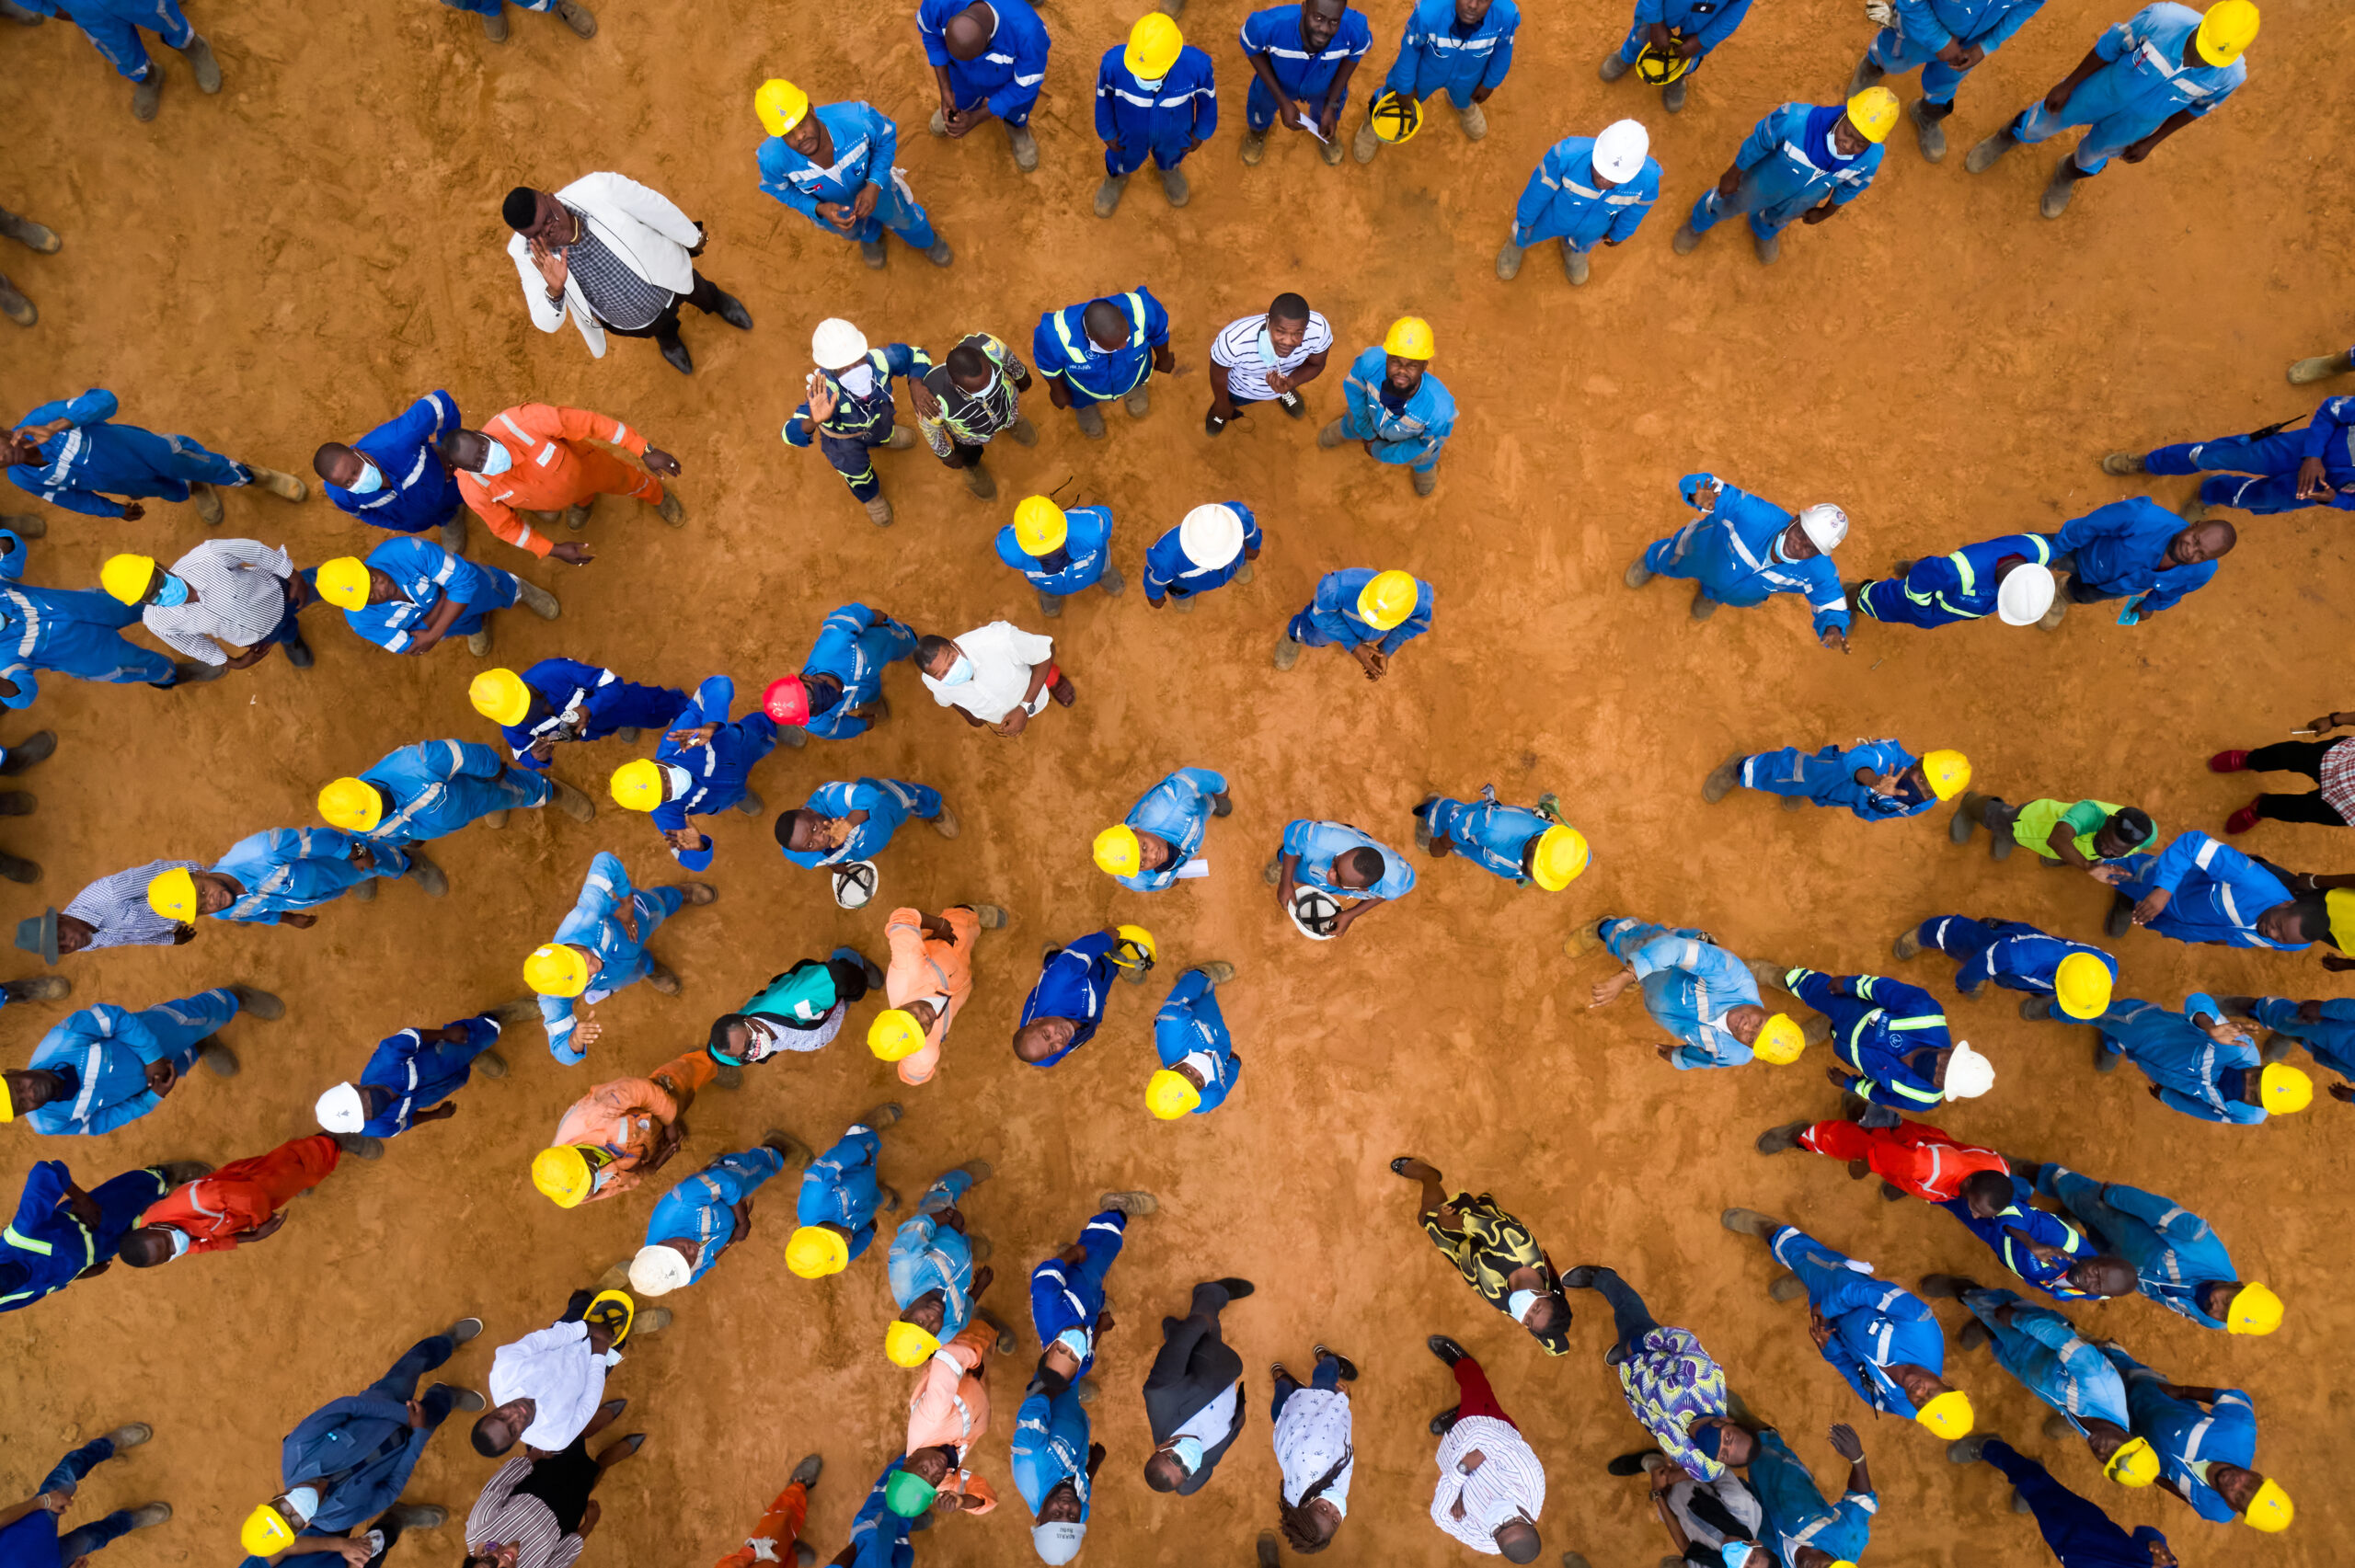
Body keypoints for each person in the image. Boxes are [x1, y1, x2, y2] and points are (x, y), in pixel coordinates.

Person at [1967, 1, 2255, 219]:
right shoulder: (2163, 18)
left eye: (2212, 58)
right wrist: (2070, 84)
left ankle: (2065, 176)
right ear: (2203, 26)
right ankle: (2006, 138)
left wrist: (2153, 141)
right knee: (2042, 121)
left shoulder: (2230, 76)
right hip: (2098, 91)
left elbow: (2196, 110)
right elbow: (2109, 47)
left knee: (2093, 156)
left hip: (2136, 124)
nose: (2200, 59)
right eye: (2201, 48)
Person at [234, 1318, 486, 1566]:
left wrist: (402, 1415)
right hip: (409, 1437)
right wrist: (418, 1434)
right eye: (294, 1523)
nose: (293, 1512)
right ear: (301, 1531)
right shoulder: (338, 1521)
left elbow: (349, 1406)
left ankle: (446, 1342)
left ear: (274, 1498)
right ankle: (446, 1396)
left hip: (383, 1401)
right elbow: (390, 1491)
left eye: (281, 1510)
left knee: (410, 1367)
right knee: (434, 1413)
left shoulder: (297, 1448)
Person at [1720, 1212, 1974, 1437]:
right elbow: (1870, 1291)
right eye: (1933, 1393)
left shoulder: (1905, 1408)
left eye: (1921, 1404)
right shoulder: (1922, 1326)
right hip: (1845, 1287)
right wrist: (1828, 1307)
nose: (1919, 1393)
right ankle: (1770, 1230)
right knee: (1804, 1257)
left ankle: (1807, 1280)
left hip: (1835, 1328)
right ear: (1949, 1386)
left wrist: (1831, 1351)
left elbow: (1864, 1387)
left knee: (1810, 1281)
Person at [501, 177, 753, 376]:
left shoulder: (598, 189)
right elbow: (546, 322)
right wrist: (554, 291)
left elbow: (654, 207)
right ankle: (668, 339)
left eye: (549, 218)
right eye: (538, 233)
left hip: (670, 277)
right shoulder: (525, 254)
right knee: (657, 329)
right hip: (630, 321)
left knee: (700, 291)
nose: (550, 230)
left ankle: (717, 302)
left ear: (551, 198)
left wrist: (692, 237)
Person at [2029, 1160, 2278, 1333]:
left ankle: (2079, 1214)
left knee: (2092, 1237)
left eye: (2224, 1315)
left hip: (2120, 1263)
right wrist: (2113, 1195)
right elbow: (2157, 1209)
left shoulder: (2213, 1322)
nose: (2217, 1307)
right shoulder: (2200, 1243)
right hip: (2120, 1222)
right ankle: (2039, 1175)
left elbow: (2168, 1301)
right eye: (2228, 1302)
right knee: (2084, 1199)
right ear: (2237, 1285)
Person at [1562, 1264, 1752, 1477]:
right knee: (1628, 1308)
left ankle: (1625, 1357)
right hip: (1648, 1350)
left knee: (1627, 1336)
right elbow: (1683, 1341)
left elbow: (1707, 1470)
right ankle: (1602, 1277)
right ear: (1728, 1421)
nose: (1721, 1447)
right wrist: (1637, 1345)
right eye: (1728, 1439)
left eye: (1724, 1454)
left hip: (1639, 1392)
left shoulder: (1707, 1468)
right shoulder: (1701, 1378)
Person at [6, 983, 270, 1135]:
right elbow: (102, 1122)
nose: (29, 1094)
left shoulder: (62, 1041)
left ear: (15, 1070)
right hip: (149, 1082)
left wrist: (153, 1057)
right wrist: (152, 1098)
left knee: (194, 1017)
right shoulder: (49, 1124)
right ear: (23, 1114)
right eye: (23, 1104)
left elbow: (115, 1018)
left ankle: (235, 997)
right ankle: (203, 1045)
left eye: (19, 1086)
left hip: (153, 1034)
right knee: (178, 1066)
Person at [525, 854, 714, 1064]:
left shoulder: (586, 915)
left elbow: (605, 862)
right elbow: (562, 1052)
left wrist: (626, 902)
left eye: (584, 961)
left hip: (630, 923)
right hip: (616, 976)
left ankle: (680, 894)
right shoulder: (553, 997)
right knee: (637, 970)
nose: (594, 968)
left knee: (658, 906)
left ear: (567, 950)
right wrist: (575, 1039)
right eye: (583, 978)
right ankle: (650, 967)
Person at [1673, 87, 1898, 264]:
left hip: (1806, 199)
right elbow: (1758, 142)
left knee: (1782, 217)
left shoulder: (1871, 158)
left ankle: (1764, 229)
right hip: (1760, 182)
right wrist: (1733, 173)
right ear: (1842, 114)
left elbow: (1853, 187)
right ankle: (1698, 223)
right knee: (1730, 201)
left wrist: (1826, 212)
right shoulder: (1795, 120)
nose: (1848, 145)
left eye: (1860, 143)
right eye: (1848, 133)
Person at [5, 388, 301, 521]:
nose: (2, 458)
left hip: (151, 452)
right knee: (174, 490)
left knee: (203, 465)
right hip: (134, 486)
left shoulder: (43, 418)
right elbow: (71, 499)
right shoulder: (22, 477)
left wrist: (59, 425)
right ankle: (197, 487)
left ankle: (256, 477)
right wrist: (116, 510)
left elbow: (105, 400)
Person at [1626, 475, 1852, 647]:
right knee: (1671, 559)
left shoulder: (1818, 570)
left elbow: (1831, 599)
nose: (1800, 545)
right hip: (1700, 553)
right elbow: (1714, 488)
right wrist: (1697, 492)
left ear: (1820, 554)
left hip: (1740, 593)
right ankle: (1650, 561)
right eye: (1802, 534)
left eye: (1811, 548)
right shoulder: (1753, 514)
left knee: (1722, 593)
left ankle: (1710, 595)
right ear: (1794, 520)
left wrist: (1832, 626)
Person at [441, 406, 684, 565]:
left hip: (592, 468)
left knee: (630, 481)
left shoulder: (526, 421)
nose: (487, 456)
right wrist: (551, 549)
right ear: (467, 470)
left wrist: (645, 449)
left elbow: (592, 424)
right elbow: (505, 527)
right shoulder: (474, 489)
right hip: (561, 497)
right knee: (573, 496)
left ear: (480, 433)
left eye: (483, 447)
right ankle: (583, 502)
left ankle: (658, 495)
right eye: (478, 462)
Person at [754, 85, 951, 273]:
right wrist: (817, 209)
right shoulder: (772, 159)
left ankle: (926, 240)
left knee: (903, 217)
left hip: (880, 192)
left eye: (801, 123)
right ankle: (870, 237)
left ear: (811, 110)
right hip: (832, 211)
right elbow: (780, 189)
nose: (799, 136)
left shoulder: (858, 119)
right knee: (853, 230)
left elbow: (885, 138)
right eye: (787, 133)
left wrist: (874, 185)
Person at [2098, 1345, 2290, 1531]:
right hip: (2151, 1396)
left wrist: (2152, 1476)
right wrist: (2180, 1391)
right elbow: (2233, 1398)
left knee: (2098, 1405)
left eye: (2239, 1497)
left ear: (2235, 1509)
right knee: (2125, 1371)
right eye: (2249, 1484)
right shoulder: (2238, 1432)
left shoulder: (2217, 1511)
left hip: (2132, 1441)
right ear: (2257, 1476)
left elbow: (2182, 1493)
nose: (2236, 1484)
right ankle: (2113, 1351)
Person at [320, 739, 590, 872]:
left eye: (380, 803)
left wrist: (494, 770)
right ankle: (495, 804)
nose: (384, 810)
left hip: (474, 788)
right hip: (456, 813)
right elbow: (378, 836)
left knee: (512, 789)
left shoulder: (418, 763)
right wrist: (410, 841)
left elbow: (467, 755)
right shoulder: (361, 824)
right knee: (490, 803)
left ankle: (551, 791)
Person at [1390, 1158, 1572, 1353]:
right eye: (1536, 1308)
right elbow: (1465, 1224)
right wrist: (1445, 1221)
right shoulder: (1514, 1247)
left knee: (1485, 1209)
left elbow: (1557, 1347)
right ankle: (1429, 1176)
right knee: (1426, 1217)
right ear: (1546, 1293)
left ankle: (1487, 1204)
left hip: (1468, 1257)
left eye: (1528, 1320)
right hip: (1472, 1229)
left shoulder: (1539, 1324)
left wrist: (1554, 1340)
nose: (1525, 1310)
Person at [609, 674, 779, 873]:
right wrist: (698, 846)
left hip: (741, 747)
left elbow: (719, 683)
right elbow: (694, 863)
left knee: (760, 736)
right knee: (732, 796)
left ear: (656, 762)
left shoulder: (680, 741)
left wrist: (709, 726)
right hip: (722, 797)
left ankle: (773, 726)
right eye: (664, 793)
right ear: (655, 804)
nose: (672, 786)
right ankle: (739, 796)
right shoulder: (664, 813)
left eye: (663, 777)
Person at [1583, 917, 1803, 1070]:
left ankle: (1644, 974)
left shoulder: (1739, 1054)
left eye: (1751, 1039)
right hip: (1671, 951)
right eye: (1758, 1023)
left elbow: (1708, 1059)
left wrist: (1679, 1058)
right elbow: (1674, 949)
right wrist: (1626, 976)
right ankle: (1605, 927)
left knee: (1648, 975)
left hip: (1658, 990)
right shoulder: (1732, 976)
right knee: (1635, 943)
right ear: (1770, 1012)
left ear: (1750, 1048)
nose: (1746, 1028)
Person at [1768, 965, 1993, 1114]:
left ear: (1943, 1089)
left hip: (1849, 1052)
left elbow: (1881, 1094)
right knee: (1819, 991)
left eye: (1941, 1078)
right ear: (1951, 1050)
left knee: (1835, 1036)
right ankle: (1783, 977)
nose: (1937, 1068)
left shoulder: (1922, 1099)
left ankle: (1828, 1028)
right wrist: (1850, 984)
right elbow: (1886, 990)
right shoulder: (1927, 1015)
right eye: (1946, 1062)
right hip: (1854, 1011)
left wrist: (1849, 1083)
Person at [0, 532, 194, 704]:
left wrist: (4, 544)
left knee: (146, 599)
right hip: (94, 656)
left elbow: (13, 554)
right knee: (148, 665)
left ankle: (194, 607)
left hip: (94, 605)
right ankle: (173, 675)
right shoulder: (4, 661)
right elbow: (24, 696)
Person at [117, 1133, 360, 1265]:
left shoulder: (202, 1200)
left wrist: (262, 1224)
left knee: (296, 1167)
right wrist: (252, 1237)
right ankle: (299, 1175)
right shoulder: (164, 1241)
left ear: (157, 1226)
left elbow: (254, 1197)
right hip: (238, 1209)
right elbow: (205, 1245)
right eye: (169, 1253)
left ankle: (335, 1140)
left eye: (167, 1243)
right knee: (288, 1178)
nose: (176, 1246)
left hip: (250, 1190)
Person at [1849, 0, 2049, 160]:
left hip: (1971, 45)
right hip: (1916, 28)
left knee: (1945, 83)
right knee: (1890, 56)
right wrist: (1939, 41)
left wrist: (1987, 45)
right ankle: (1870, 68)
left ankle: (1926, 115)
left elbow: (2028, 4)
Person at [2065, 994, 2312, 1124]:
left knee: (2126, 1046)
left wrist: (2168, 1097)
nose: (2247, 1086)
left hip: (2154, 1067)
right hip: (2149, 1029)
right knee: (2102, 1014)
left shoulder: (2248, 1116)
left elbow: (2205, 1112)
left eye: (2254, 1096)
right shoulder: (2237, 1047)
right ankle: (2058, 1005)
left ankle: (2112, 1043)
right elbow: (2197, 999)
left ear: (2261, 1107)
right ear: (2263, 1066)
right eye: (2256, 1078)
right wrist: (2209, 1026)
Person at [1946, 1436, 2178, 1567]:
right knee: (2036, 1485)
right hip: (2078, 1526)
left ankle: (2031, 1490)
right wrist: (2156, 1546)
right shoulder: (2146, 1561)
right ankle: (1989, 1447)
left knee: (2040, 1498)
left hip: (2066, 1548)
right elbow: (2146, 1535)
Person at [784, 325, 934, 528]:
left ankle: (886, 438)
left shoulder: (881, 360)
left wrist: (916, 383)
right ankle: (872, 498)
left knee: (883, 430)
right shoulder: (822, 391)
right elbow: (789, 434)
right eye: (843, 368)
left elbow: (916, 356)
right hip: (843, 443)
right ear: (830, 369)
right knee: (857, 473)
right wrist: (813, 420)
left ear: (864, 353)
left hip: (879, 420)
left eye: (857, 361)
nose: (854, 370)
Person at [473, 1292, 655, 1459]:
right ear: (517, 1440)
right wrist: (599, 1351)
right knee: (617, 1340)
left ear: (493, 1411)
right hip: (594, 1367)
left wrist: (587, 1327)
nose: (515, 1415)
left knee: (582, 1300)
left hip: (569, 1332)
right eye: (513, 1429)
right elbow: (589, 1401)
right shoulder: (555, 1438)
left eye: (502, 1416)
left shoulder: (503, 1372)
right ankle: (631, 1327)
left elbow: (541, 1341)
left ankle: (602, 1286)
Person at [314, 1006, 527, 1148]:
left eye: (366, 1100)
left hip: (437, 1055)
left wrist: (446, 1034)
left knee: (474, 1035)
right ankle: (474, 1057)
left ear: (357, 1086)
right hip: (438, 1088)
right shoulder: (376, 1128)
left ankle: (500, 1015)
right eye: (369, 1114)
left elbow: (412, 1037)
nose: (375, 1106)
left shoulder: (386, 1060)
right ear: (363, 1124)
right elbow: (406, 1122)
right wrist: (435, 1114)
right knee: (461, 1073)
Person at [532, 1047, 721, 1208]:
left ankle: (709, 1058)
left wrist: (670, 1120)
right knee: (681, 1106)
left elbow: (640, 1090)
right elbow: (621, 1183)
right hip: (644, 1143)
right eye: (586, 1192)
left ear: (586, 1162)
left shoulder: (596, 1112)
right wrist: (651, 1167)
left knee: (683, 1078)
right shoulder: (574, 1189)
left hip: (652, 1102)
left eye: (589, 1187)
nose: (591, 1192)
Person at [628, 1133, 810, 1297]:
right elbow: (704, 1266)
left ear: (661, 1243)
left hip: (725, 1192)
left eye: (684, 1250)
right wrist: (731, 1240)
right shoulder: (677, 1273)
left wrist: (743, 1221)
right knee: (710, 1180)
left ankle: (775, 1149)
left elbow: (726, 1184)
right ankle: (711, 1172)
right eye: (689, 1261)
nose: (694, 1252)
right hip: (720, 1213)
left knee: (747, 1174)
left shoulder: (682, 1201)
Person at [145, 827, 421, 933]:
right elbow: (259, 913)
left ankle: (408, 861)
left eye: (202, 892)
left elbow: (315, 839)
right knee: (347, 879)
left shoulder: (262, 852)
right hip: (323, 886)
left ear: (200, 873)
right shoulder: (222, 913)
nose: (211, 902)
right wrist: (289, 919)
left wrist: (355, 852)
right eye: (201, 908)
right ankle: (359, 874)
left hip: (336, 859)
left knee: (379, 859)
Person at [1, 1158, 188, 1313]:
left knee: (134, 1191)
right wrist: (79, 1274)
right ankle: (164, 1205)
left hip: (94, 1217)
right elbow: (42, 1289)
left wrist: (82, 1199)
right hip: (99, 1253)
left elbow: (46, 1172)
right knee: (141, 1228)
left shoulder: (23, 1234)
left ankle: (163, 1176)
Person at [316, 538, 557, 658]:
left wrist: (432, 631)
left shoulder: (406, 550)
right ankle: (476, 625)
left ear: (363, 565)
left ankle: (522, 590)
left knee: (496, 586)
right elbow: (410, 646)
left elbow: (466, 581)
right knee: (461, 623)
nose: (380, 588)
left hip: (462, 598)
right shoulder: (361, 622)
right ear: (356, 606)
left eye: (372, 578)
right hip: (446, 606)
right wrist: (445, 597)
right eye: (369, 596)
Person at [461, 1413, 648, 1568]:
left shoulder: (480, 1526)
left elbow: (500, 1484)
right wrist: (589, 1524)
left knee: (567, 1441)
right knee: (586, 1481)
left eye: (489, 1560)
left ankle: (587, 1427)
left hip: (538, 1484)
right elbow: (561, 1558)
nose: (502, 1559)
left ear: (475, 1559)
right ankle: (603, 1462)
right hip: (565, 1517)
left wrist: (536, 1453)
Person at [101, 540, 318, 672]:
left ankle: (345, 581)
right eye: (151, 595)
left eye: (158, 581)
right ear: (142, 602)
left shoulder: (209, 555)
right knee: (284, 630)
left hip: (282, 593)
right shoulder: (158, 621)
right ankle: (290, 639)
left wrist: (295, 577)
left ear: (160, 566)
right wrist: (233, 663)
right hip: (258, 636)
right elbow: (192, 645)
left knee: (320, 584)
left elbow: (255, 552)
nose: (162, 592)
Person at [2118, 397, 2355, 518]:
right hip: (2293, 449)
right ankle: (2150, 462)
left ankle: (2208, 493)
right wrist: (2313, 455)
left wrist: (2334, 499)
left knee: (2262, 498)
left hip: (2312, 489)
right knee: (2217, 456)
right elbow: (2332, 409)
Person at [1422, 1334, 1545, 1561]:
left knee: (1455, 1437)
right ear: (1531, 1520)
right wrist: (1457, 1478)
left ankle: (1454, 1419)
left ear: (1495, 1542)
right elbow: (1482, 1435)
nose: (1500, 1520)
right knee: (1474, 1384)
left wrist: (1459, 1479)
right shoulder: (1530, 1479)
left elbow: (1440, 1516)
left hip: (1458, 1457)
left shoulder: (1484, 1541)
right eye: (1511, 1521)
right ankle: (1461, 1362)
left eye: (1498, 1530)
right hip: (1484, 1421)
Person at [1499, 119, 1659, 285]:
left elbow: (1636, 212)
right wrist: (1526, 219)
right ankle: (1517, 244)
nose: (1603, 180)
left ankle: (1573, 248)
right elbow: (1538, 191)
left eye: (1613, 178)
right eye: (1601, 169)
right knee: (1527, 230)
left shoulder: (1647, 181)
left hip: (1595, 227)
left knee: (1584, 240)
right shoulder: (1567, 156)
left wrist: (1619, 234)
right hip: (1553, 216)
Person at [1932, 1168, 2130, 1301]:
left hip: (2001, 1246)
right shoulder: (2061, 1239)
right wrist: (2031, 1243)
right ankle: (1927, 1186)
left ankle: (2020, 1187)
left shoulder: (2093, 1293)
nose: (2090, 1281)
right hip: (1997, 1228)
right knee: (1966, 1201)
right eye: (2096, 1273)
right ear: (2100, 1257)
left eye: (2099, 1286)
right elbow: (2013, 1211)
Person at [2105, 829, 2323, 950]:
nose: (2272, 934)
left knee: (2148, 917)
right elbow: (2193, 844)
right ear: (2287, 903)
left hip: (2181, 925)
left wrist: (2217, 938)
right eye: (2277, 925)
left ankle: (2129, 902)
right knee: (2114, 866)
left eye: (2281, 938)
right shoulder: (2250, 879)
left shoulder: (2295, 943)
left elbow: (2250, 938)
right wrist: (2163, 890)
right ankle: (2084, 856)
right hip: (2167, 888)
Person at [1356, 0, 1518, 161]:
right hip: (1426, 72)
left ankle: (1462, 105)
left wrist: (1490, 83)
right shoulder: (1428, 13)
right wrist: (1405, 87)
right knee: (1394, 95)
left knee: (1465, 95)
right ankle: (1374, 120)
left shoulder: (1506, 15)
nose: (1473, 5)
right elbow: (1411, 50)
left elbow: (1504, 50)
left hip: (1470, 74)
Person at [1756, 1109, 2014, 1207]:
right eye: (1977, 1209)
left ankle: (1862, 1112)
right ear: (1968, 1185)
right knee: (1856, 1143)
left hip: (1926, 1144)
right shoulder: (1923, 1166)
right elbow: (1877, 1156)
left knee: (1887, 1126)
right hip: (1912, 1159)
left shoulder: (1999, 1166)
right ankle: (1803, 1135)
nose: (1976, 1216)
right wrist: (1862, 1168)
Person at [314, 391, 470, 551]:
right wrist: (399, 523)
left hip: (446, 482)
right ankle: (449, 520)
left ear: (358, 452)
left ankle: (456, 509)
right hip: (418, 518)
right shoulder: (339, 493)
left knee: (466, 493)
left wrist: (448, 451)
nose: (358, 480)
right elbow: (362, 513)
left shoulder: (400, 438)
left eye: (356, 470)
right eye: (348, 482)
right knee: (436, 516)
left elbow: (440, 403)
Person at [1143, 1278, 1256, 1496]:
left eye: (1175, 1458)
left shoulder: (1160, 1396)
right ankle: (1172, 1328)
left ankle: (1211, 1292)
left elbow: (1177, 1349)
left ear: (1161, 1447)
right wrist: (1238, 1422)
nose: (1187, 1460)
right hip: (1222, 1373)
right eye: (1185, 1470)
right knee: (1177, 1337)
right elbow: (1189, 1485)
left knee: (1193, 1329)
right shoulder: (1200, 1467)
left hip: (1205, 1353)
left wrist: (1201, 1322)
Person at [1094, 15, 1217, 214]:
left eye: (1151, 72)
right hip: (1128, 134)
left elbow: (1208, 102)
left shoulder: (1197, 68)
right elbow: (1103, 97)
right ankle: (1116, 177)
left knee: (1172, 154)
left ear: (1172, 60)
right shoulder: (1113, 64)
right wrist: (1107, 132)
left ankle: (1168, 169)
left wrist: (1201, 133)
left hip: (1175, 133)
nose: (1142, 76)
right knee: (1123, 157)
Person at [0, 1425, 170, 1568]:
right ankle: (129, 1520)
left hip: (33, 1522)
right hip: (54, 1562)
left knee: (67, 1474)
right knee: (93, 1538)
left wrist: (41, 1502)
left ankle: (107, 1444)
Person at [1030, 1195, 1154, 1393]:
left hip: (1078, 1278)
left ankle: (1115, 1209)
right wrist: (1100, 1329)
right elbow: (1089, 1354)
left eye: (1062, 1350)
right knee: (1097, 1285)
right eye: (1073, 1356)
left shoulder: (1048, 1308)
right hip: (1089, 1302)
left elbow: (1043, 1278)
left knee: (1105, 1245)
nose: (1072, 1347)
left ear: (1048, 1348)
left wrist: (1071, 1254)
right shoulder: (1080, 1367)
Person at [473, 660, 689, 773]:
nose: (528, 716)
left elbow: (612, 684)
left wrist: (590, 708)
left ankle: (682, 707)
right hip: (588, 731)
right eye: (521, 716)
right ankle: (621, 723)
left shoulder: (555, 671)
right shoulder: (511, 725)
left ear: (523, 688)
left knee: (652, 708)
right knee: (609, 727)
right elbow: (522, 754)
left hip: (615, 703)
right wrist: (537, 758)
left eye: (527, 707)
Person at [2039, 499, 2232, 624]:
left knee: (2082, 594)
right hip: (2082, 554)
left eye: (2201, 554)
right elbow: (2087, 527)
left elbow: (2173, 591)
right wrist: (2057, 549)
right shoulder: (2142, 516)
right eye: (2195, 540)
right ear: (2195, 525)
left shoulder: (2203, 571)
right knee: (2038, 556)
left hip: (2113, 587)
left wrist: (2149, 606)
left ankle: (2061, 594)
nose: (2190, 551)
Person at [887, 1164, 1005, 1368]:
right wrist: (979, 1287)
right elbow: (963, 1316)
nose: (933, 1319)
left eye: (920, 1322)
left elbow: (915, 1229)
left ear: (905, 1315)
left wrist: (946, 1217)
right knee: (963, 1242)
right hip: (958, 1256)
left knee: (941, 1196)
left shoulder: (904, 1270)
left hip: (938, 1225)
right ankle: (967, 1243)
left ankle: (959, 1179)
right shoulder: (946, 1332)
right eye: (932, 1330)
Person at [1321, 317, 1454, 498]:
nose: (1402, 371)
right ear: (1387, 358)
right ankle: (1344, 430)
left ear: (1424, 367)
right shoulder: (1369, 363)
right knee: (1351, 424)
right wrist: (1366, 431)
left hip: (1408, 441)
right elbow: (1354, 392)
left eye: (1412, 365)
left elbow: (1424, 443)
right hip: (1366, 416)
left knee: (1424, 456)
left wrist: (1381, 452)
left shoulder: (1439, 409)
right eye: (1396, 361)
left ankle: (1424, 469)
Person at [1898, 914, 2119, 1021]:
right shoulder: (2019, 957)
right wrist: (1966, 984)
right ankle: (1923, 934)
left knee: (1999, 970)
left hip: (2019, 962)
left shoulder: (2107, 969)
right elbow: (1978, 965)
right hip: (2006, 948)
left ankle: (1995, 956)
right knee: (1960, 938)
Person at [918, 0, 1051, 171]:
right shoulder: (939, 4)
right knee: (961, 99)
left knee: (1016, 109)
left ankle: (1016, 128)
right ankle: (963, 106)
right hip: (959, 74)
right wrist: (945, 90)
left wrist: (978, 117)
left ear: (989, 39)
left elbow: (1024, 85)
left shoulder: (1029, 34)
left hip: (1009, 83)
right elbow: (930, 34)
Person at [1238, 0, 1373, 168]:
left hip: (1324, 86)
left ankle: (1323, 135)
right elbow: (1251, 47)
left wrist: (1331, 104)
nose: (1324, 29)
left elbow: (1354, 55)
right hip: (1275, 84)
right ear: (1304, 7)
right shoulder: (1268, 25)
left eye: (1334, 21)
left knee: (1325, 115)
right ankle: (1257, 133)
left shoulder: (1356, 28)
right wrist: (1282, 100)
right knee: (1260, 109)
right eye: (1318, 17)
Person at [1706, 738, 1970, 822]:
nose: (1921, 787)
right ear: (1918, 761)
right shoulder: (1891, 755)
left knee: (1815, 792)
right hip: (1835, 773)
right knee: (1792, 772)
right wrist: (1873, 780)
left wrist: (1864, 806)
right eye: (1922, 777)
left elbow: (1879, 811)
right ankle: (1739, 767)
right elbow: (1860, 756)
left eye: (1929, 789)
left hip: (1845, 796)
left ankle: (1807, 791)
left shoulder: (1922, 804)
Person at [891, 1321, 1002, 1521]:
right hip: (978, 1395)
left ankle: (985, 1321)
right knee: (990, 1358)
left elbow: (948, 1358)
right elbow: (989, 1498)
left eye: (924, 1470)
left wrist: (976, 1362)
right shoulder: (941, 1483)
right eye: (933, 1479)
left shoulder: (931, 1418)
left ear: (909, 1460)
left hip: (968, 1353)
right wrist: (961, 1502)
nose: (936, 1470)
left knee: (983, 1330)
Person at [706, 948, 883, 1069]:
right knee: (830, 1002)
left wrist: (856, 990)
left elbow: (841, 977)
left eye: (748, 1042)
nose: (754, 1051)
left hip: (826, 984)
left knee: (844, 976)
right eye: (745, 1055)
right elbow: (721, 1054)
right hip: (822, 1013)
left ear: (748, 1018)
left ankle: (852, 959)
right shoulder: (740, 1049)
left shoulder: (798, 998)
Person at [763, 602, 916, 739]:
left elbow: (844, 619)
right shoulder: (816, 724)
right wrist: (862, 725)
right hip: (864, 692)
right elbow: (838, 729)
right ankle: (873, 702)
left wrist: (871, 616)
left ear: (806, 677)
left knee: (902, 642)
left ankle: (913, 642)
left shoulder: (834, 645)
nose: (815, 700)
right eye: (810, 708)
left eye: (808, 694)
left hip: (880, 644)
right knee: (870, 697)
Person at [1033, 290, 1175, 438]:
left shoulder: (1143, 307)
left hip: (1134, 370)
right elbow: (1048, 366)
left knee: (1136, 378)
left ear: (1119, 310)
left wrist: (1163, 358)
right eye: (1113, 346)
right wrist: (1059, 392)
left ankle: (1134, 389)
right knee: (1081, 399)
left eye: (1126, 337)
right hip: (1084, 387)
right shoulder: (1053, 336)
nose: (1123, 346)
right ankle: (1084, 407)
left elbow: (1160, 332)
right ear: (1089, 337)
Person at [785, 1106, 904, 1279]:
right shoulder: (832, 1256)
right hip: (864, 1200)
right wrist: (869, 1231)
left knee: (864, 1141)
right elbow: (855, 1248)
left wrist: (859, 1153)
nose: (848, 1241)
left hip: (857, 1168)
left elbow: (821, 1170)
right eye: (842, 1248)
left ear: (819, 1230)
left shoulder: (815, 1197)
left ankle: (865, 1127)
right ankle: (879, 1195)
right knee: (873, 1197)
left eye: (838, 1241)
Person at [913, 332, 1035, 499]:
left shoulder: (990, 346)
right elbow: (931, 430)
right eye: (981, 390)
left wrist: (1021, 376)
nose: (990, 390)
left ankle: (1012, 423)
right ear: (955, 385)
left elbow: (1009, 359)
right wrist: (946, 455)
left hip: (1007, 407)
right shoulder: (933, 398)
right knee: (969, 454)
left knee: (1009, 416)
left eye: (991, 379)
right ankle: (972, 466)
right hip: (969, 436)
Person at [1013, 926, 1156, 1068]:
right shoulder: (1044, 1057)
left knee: (1071, 963)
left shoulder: (1061, 978)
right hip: (1087, 1001)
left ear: (1037, 1020)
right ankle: (1118, 963)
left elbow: (1082, 951)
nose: (1059, 1038)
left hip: (1064, 979)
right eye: (1052, 1048)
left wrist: (1105, 939)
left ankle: (1052, 954)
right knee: (1103, 981)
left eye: (1046, 1034)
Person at [1852, 533, 2059, 631]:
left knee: (1933, 572)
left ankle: (1912, 567)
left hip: (1953, 599)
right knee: (1885, 600)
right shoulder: (1961, 572)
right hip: (1933, 602)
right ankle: (1852, 597)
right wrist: (1923, 613)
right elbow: (1919, 582)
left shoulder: (2042, 550)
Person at [19, 857, 203, 963]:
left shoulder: (110, 892)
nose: (71, 944)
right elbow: (130, 936)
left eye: (62, 937)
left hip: (202, 889)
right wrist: (168, 939)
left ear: (61, 919)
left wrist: (207, 882)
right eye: (63, 949)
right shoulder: (87, 944)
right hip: (186, 911)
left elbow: (162, 873)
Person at [776, 781, 959, 887]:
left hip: (886, 807)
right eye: (810, 844)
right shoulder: (795, 851)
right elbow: (815, 856)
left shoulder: (830, 797)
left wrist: (848, 824)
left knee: (908, 797)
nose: (820, 838)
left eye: (814, 828)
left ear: (809, 811)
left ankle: (933, 809)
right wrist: (833, 865)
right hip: (872, 840)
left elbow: (868, 795)